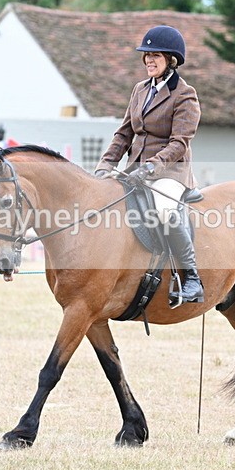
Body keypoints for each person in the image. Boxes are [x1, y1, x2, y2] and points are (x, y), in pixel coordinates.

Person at [94, 25, 204, 307]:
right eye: (146, 56)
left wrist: (152, 168)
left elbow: (179, 143)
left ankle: (192, 279)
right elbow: (124, 133)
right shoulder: (140, 90)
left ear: (172, 60)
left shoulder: (185, 95)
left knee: (165, 209)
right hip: (136, 169)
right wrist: (106, 164)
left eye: (155, 56)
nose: (148, 61)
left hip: (170, 171)